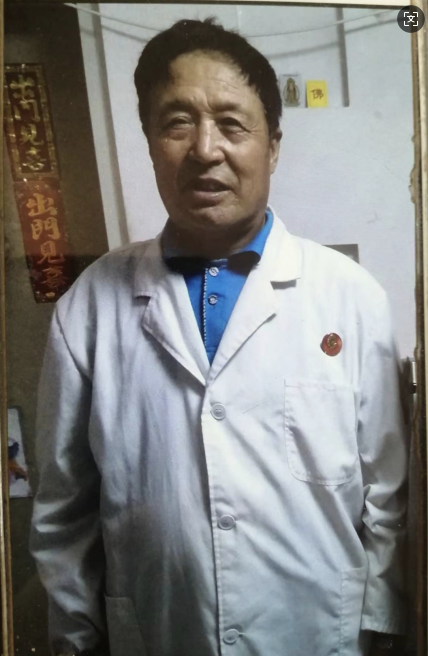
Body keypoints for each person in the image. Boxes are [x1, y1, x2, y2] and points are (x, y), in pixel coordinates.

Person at [30, 18, 409, 656]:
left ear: (273, 146)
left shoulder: (351, 297)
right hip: (159, 632)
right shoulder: (90, 306)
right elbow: (65, 508)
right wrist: (75, 638)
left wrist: (380, 625)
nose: (205, 149)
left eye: (232, 124)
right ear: (150, 141)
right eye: (178, 122)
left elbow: (388, 494)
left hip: (322, 636)